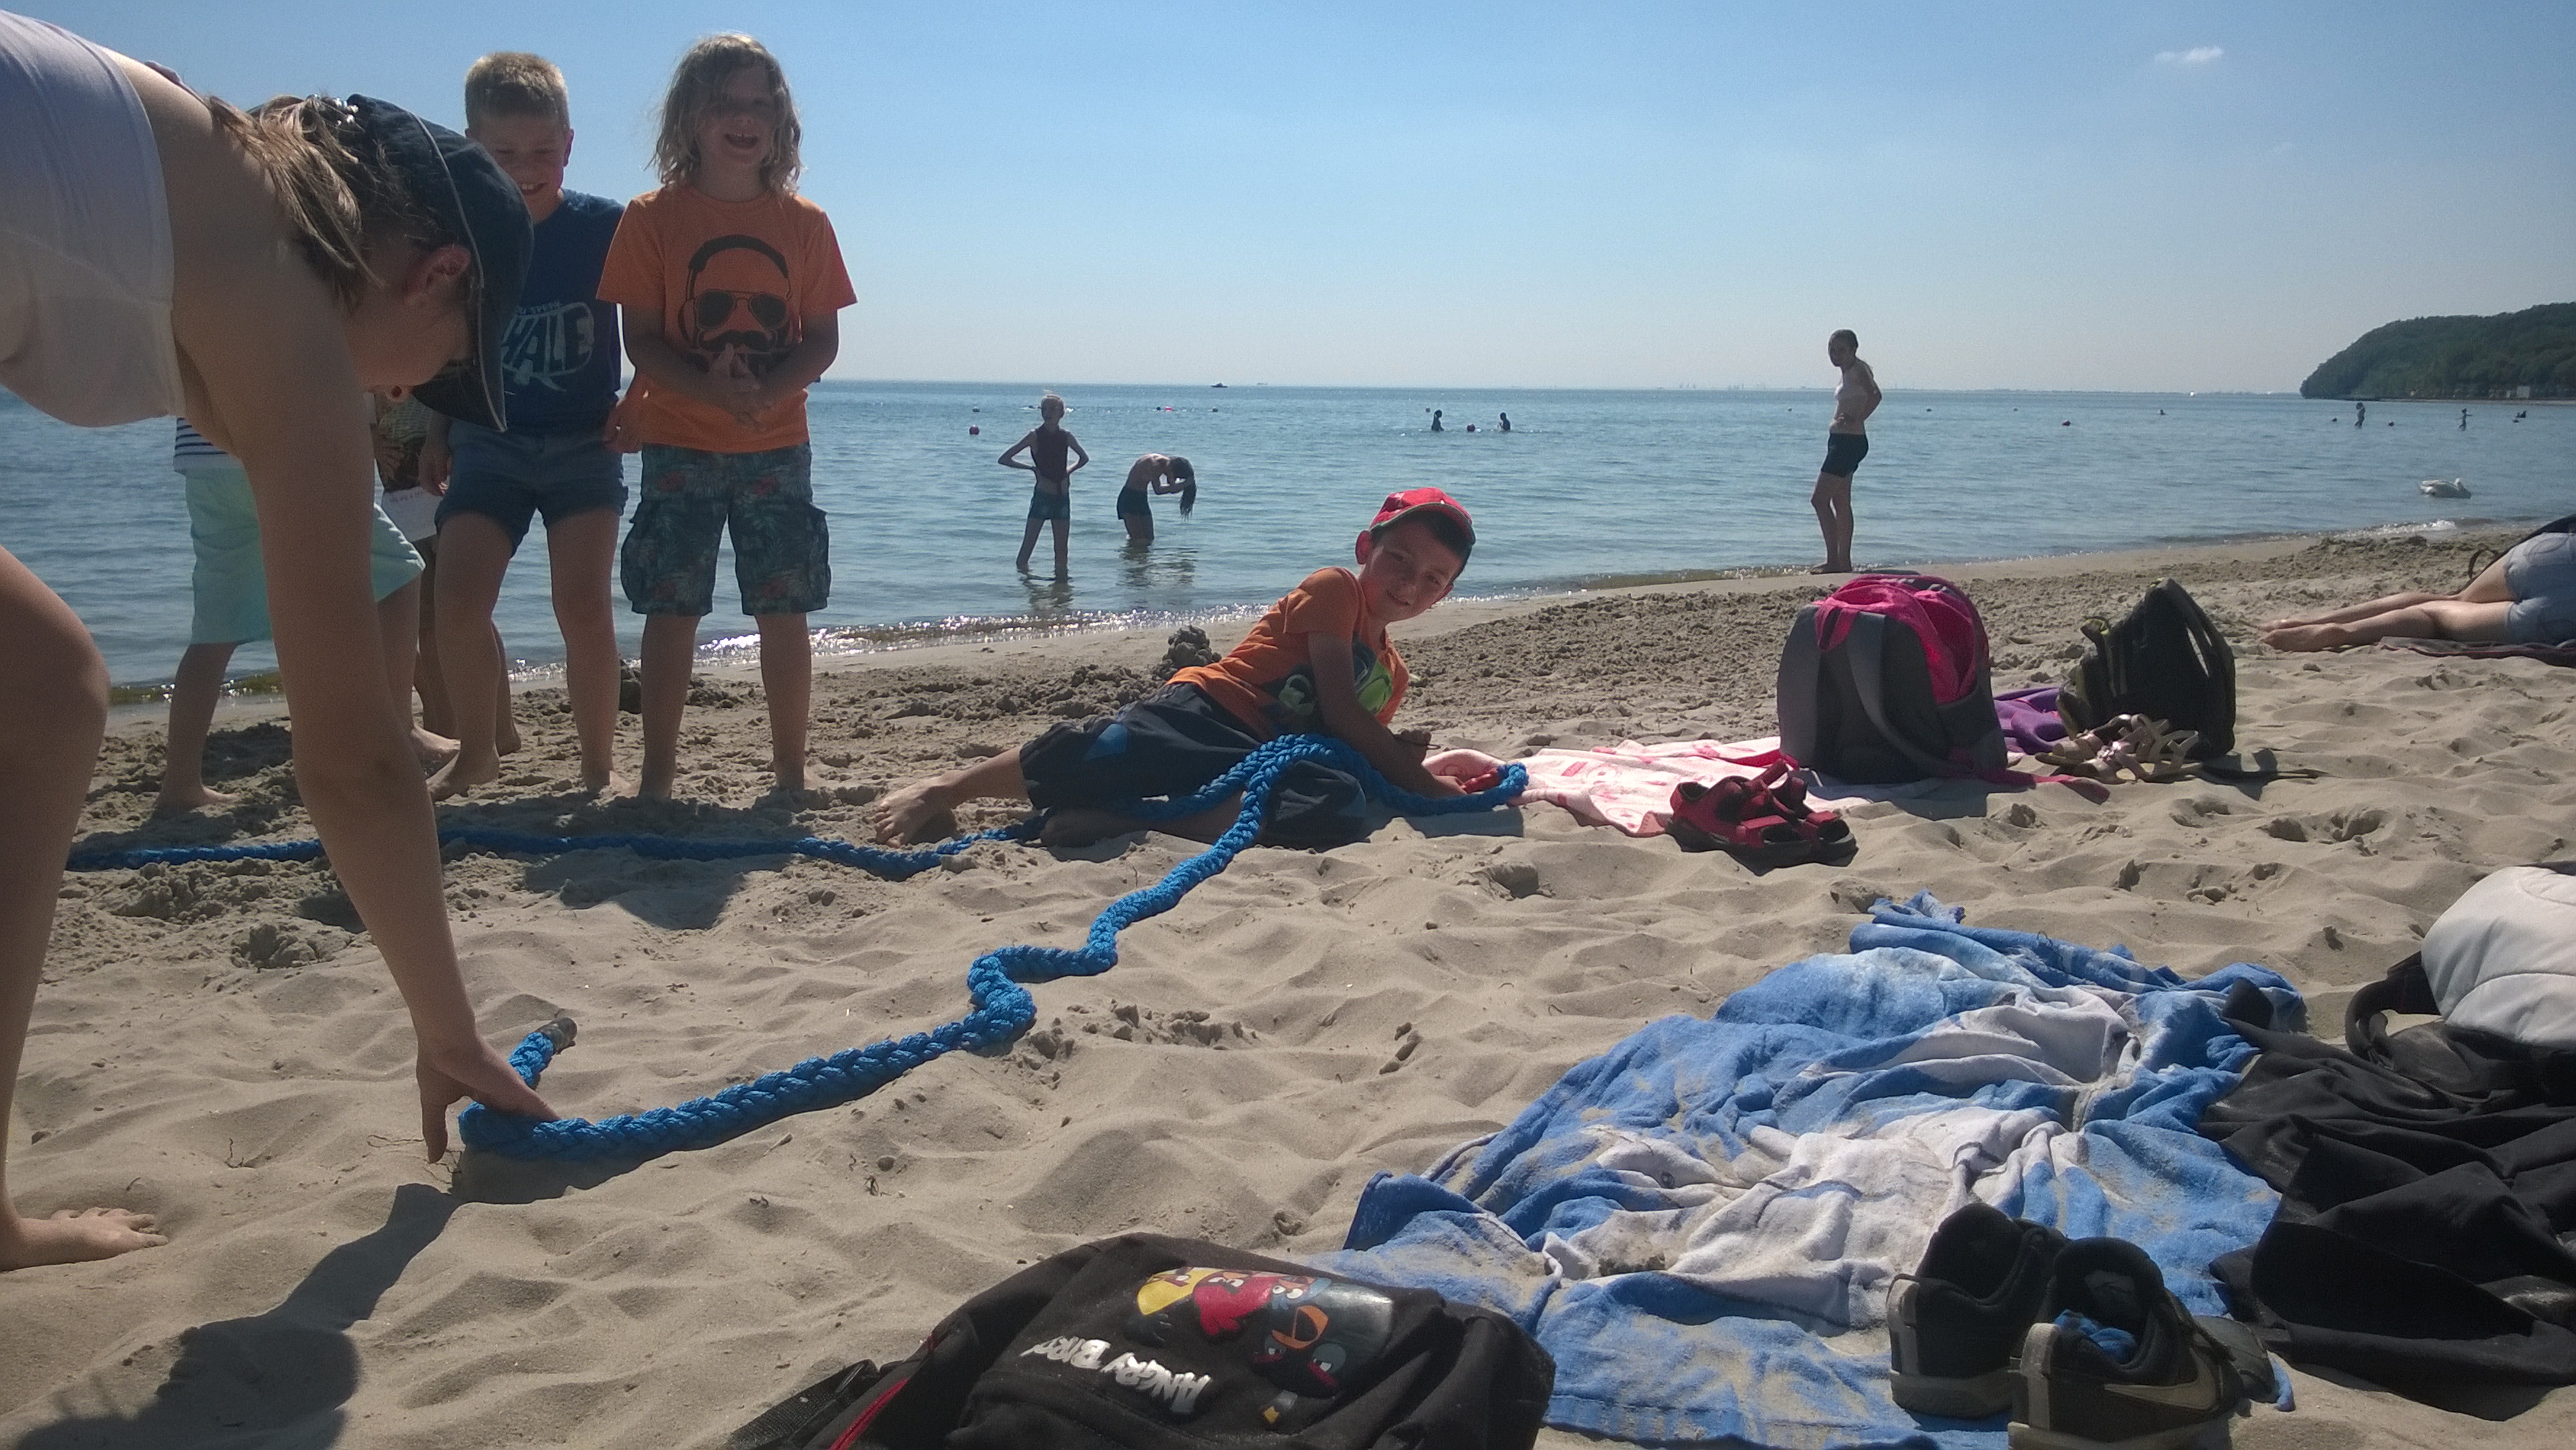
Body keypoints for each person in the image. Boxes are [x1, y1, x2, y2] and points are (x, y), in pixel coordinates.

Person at [0, 11, 554, 1269]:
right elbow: (351, 760)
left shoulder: (206, 175)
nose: (405, 392)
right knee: (41, 695)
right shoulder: (284, 304)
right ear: (435, 276)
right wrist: (449, 1032)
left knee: (42, 693)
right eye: (442, 365)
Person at [872, 489, 1483, 850]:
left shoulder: (1393, 674)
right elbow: (1344, 714)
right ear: (1365, 549)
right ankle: (945, 788)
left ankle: (1118, 821)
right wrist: (1425, 786)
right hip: (1211, 712)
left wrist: (1402, 768)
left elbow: (1345, 747)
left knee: (1338, 806)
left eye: (1433, 579)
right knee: (1107, 748)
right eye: (1398, 560)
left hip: (1260, 756)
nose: (1410, 584)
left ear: (1445, 594)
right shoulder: (1336, 590)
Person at [602, 33, 855, 801]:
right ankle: (656, 776)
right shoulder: (651, 219)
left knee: (785, 609)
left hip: (777, 444)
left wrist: (765, 393)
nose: (743, 120)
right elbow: (643, 339)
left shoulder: (805, 224)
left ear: (781, 123)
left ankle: (790, 772)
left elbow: (821, 340)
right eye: (724, 104)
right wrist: (712, 394)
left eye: (759, 106)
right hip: (679, 441)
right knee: (671, 609)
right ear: (689, 118)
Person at [423, 53, 639, 800]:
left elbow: (650, 327)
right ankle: (477, 750)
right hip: (489, 441)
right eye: (504, 152)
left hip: (586, 444)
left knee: (581, 606)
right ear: (471, 146)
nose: (525, 169)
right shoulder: (463, 234)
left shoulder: (604, 226)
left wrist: (643, 397)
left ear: (569, 144)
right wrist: (437, 432)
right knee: (456, 602)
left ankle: (597, 766)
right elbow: (451, 340)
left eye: (543, 151)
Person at [153, 420, 453, 816]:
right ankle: (403, 729)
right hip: (278, 455)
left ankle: (180, 782)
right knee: (400, 572)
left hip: (203, 464)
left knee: (214, 632)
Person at [371, 394, 519, 751]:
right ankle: (456, 725)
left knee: (462, 619)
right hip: (404, 508)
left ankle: (486, 728)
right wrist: (370, 438)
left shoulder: (437, 370)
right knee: (434, 624)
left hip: (449, 496)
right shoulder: (362, 373)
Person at [2258, 532, 2576, 652]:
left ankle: (2308, 620)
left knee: (2454, 599)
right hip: (2561, 611)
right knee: (2432, 618)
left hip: (2552, 554)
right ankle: (2341, 633)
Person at [1812, 328, 1879, 574]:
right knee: (1840, 501)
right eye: (1832, 350)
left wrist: (1857, 419)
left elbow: (1876, 396)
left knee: (1819, 500)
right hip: (1841, 441)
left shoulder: (1858, 370)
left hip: (1849, 443)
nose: (1836, 355)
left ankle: (1834, 560)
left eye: (1841, 350)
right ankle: (1843, 562)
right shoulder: (1847, 374)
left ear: (1853, 350)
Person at [1002, 392, 1086, 573]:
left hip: (1062, 497)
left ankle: (1061, 588)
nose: (1047, 413)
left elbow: (1084, 459)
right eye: (1044, 409)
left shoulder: (1066, 436)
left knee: (1062, 552)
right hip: (1043, 496)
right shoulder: (1035, 436)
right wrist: (1031, 469)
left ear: (1061, 413)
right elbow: (1005, 459)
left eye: (1052, 409)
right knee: (1027, 549)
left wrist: (1069, 471)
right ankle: (1025, 584)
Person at [1115, 452, 1196, 544]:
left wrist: (1184, 484)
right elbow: (1158, 490)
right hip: (1129, 498)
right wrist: (1185, 485)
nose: (1172, 478)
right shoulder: (1155, 464)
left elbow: (1172, 488)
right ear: (1172, 469)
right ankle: (1130, 552)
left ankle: (1136, 552)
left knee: (1149, 538)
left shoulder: (1167, 465)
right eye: (1175, 476)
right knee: (1138, 539)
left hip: (1142, 498)